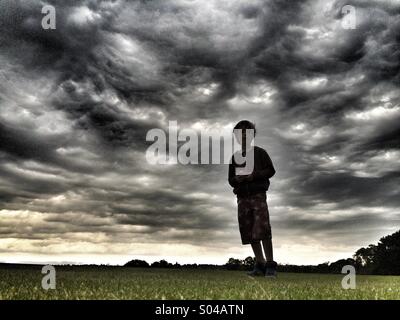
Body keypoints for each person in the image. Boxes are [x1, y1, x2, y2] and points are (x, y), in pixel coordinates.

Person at [228, 120, 278, 277]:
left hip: (258, 195)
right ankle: (260, 264)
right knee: (249, 230)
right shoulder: (235, 158)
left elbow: (271, 170)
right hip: (242, 198)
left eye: (246, 132)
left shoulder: (260, 153)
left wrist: (253, 176)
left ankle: (270, 264)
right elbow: (230, 180)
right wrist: (238, 180)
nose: (243, 136)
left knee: (262, 228)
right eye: (239, 133)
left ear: (252, 135)